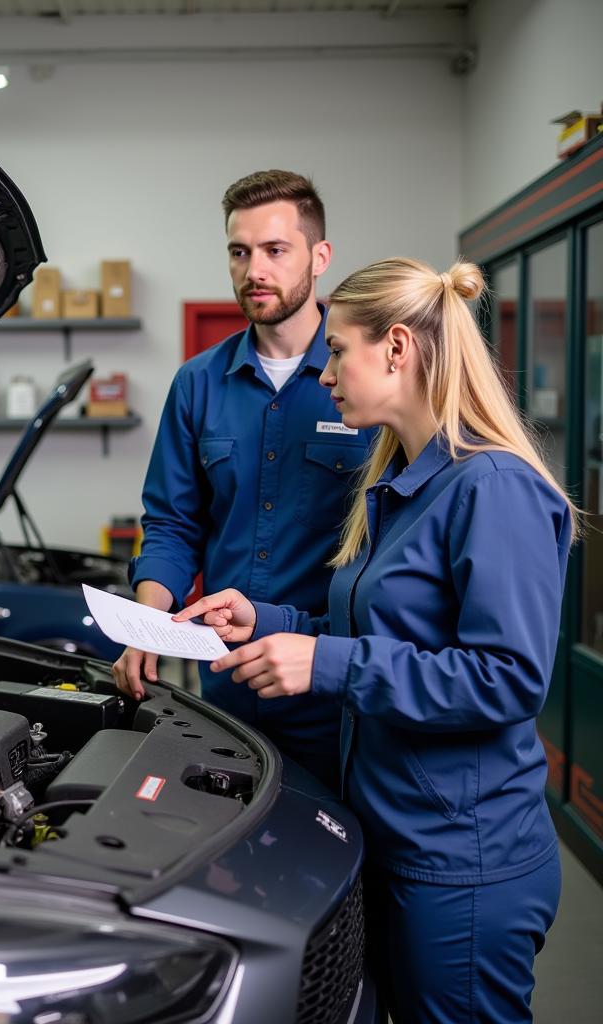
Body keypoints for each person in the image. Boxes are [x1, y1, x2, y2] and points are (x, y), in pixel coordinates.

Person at [175, 257, 576, 1023]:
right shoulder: (400, 483)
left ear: (397, 348)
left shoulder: (494, 489)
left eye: (337, 350)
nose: (325, 374)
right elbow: (372, 632)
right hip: (391, 838)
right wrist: (270, 622)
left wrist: (325, 662)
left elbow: (508, 678)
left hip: (464, 860)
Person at [113, 170, 376, 791]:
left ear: (320, 256)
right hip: (224, 683)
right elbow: (173, 523)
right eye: (239, 251)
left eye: (275, 250)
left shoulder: (365, 381)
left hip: (327, 683)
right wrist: (146, 624)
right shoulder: (197, 384)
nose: (254, 269)